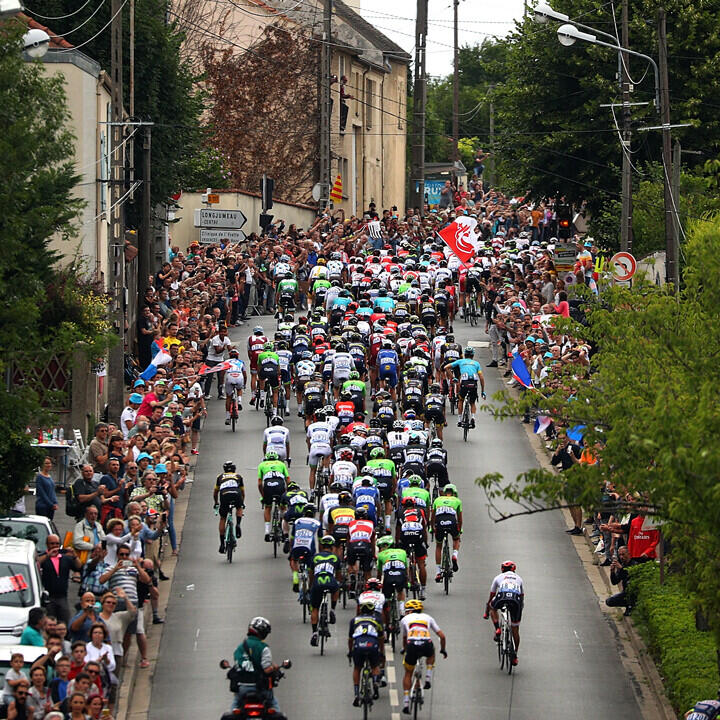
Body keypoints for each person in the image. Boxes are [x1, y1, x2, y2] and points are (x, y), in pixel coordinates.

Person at [230, 617, 288, 715]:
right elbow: (266, 669)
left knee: (235, 707)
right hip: (261, 688)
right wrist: (275, 668)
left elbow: (237, 664)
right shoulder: (263, 648)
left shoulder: (239, 648)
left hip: (242, 688)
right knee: (274, 705)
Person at [399, 599, 447, 714]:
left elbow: (405, 639)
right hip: (426, 644)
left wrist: (405, 650)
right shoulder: (428, 617)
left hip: (412, 645)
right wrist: (443, 650)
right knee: (432, 652)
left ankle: (406, 702)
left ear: (409, 611)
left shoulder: (405, 619)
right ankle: (428, 677)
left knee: (408, 673)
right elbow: (442, 636)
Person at [485, 560, 524, 666]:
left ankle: (497, 628)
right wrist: (520, 609)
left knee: (492, 607)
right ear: (513, 569)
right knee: (515, 629)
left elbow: (492, 594)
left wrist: (487, 609)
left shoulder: (498, 578)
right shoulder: (519, 578)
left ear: (502, 569)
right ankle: (515, 654)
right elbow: (522, 596)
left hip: (502, 596)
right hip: (516, 600)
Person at [348, 600, 385, 707]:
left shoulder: (354, 620)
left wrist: (350, 652)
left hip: (358, 645)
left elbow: (350, 639)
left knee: (357, 668)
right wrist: (381, 652)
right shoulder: (377, 619)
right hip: (372, 644)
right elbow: (381, 638)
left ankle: (356, 694)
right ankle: (375, 684)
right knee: (374, 666)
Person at [37, 536, 81, 625]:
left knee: (64, 620)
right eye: (52, 543)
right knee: (49, 622)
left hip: (62, 596)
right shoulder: (43, 557)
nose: (54, 546)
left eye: (57, 543)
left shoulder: (65, 558)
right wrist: (48, 555)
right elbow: (37, 564)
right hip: (48, 597)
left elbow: (79, 567)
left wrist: (75, 555)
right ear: (47, 545)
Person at [308, 535, 340, 647]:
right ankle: (332, 609)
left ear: (321, 546)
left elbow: (311, 574)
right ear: (332, 547)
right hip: (330, 581)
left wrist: (309, 587)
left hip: (317, 583)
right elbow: (339, 576)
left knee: (315, 607)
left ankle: (314, 632)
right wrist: (338, 584)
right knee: (336, 588)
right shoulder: (335, 558)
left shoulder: (315, 557)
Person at [443, 346, 486, 429]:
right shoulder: (476, 363)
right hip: (473, 383)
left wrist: (453, 378)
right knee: (472, 402)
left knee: (461, 400)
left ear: (464, 355)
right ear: (473, 355)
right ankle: (473, 418)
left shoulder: (460, 361)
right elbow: (481, 377)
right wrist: (483, 391)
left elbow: (446, 367)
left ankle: (459, 420)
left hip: (464, 383)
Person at [431, 484, 462, 581]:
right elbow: (460, 519)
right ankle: (454, 555)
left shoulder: (437, 500)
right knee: (456, 539)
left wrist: (432, 528)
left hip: (439, 522)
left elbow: (432, 517)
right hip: (451, 521)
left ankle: (438, 572)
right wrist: (459, 530)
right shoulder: (457, 501)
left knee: (439, 546)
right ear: (454, 493)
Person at [214, 461, 245, 554]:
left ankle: (222, 544)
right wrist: (242, 503)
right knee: (239, 507)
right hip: (236, 493)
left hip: (224, 494)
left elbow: (215, 492)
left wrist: (216, 502)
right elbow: (243, 492)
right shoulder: (238, 476)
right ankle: (238, 524)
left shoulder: (220, 477)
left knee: (223, 518)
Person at [605, 546, 637, 614]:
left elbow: (631, 576)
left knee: (629, 584)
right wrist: (612, 572)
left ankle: (631, 605)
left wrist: (622, 569)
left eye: (623, 554)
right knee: (609, 601)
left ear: (628, 554)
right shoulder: (622, 564)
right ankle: (627, 604)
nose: (621, 557)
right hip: (625, 592)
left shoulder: (634, 564)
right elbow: (615, 582)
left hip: (633, 592)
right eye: (620, 555)